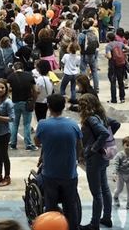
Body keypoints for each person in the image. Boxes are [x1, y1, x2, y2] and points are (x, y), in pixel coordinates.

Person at [34, 94, 82, 230]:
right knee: (71, 206)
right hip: (70, 173)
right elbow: (79, 145)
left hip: (50, 173)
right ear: (64, 106)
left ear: (48, 107)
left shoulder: (43, 124)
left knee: (50, 206)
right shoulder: (73, 125)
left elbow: (37, 142)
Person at [79, 93, 121, 230]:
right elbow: (116, 124)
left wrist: (93, 148)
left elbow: (103, 133)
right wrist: (107, 141)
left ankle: (94, 223)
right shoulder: (101, 115)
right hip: (103, 157)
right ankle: (107, 218)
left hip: (95, 158)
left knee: (96, 193)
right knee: (105, 188)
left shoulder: (91, 119)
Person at [7, 62, 37, 150]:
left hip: (15, 102)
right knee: (27, 124)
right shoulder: (29, 76)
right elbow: (35, 90)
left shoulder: (10, 77)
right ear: (23, 68)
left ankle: (13, 143)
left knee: (14, 123)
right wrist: (33, 102)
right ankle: (28, 144)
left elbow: (8, 90)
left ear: (14, 69)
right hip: (27, 102)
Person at [112, 137, 129, 211]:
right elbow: (116, 164)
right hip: (121, 175)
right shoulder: (119, 155)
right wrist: (114, 173)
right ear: (123, 145)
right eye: (127, 145)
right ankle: (115, 197)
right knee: (119, 189)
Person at [105, 32, 128, 104]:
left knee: (113, 82)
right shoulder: (120, 43)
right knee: (121, 81)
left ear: (108, 38)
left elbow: (109, 56)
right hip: (121, 65)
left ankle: (114, 99)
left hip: (113, 65)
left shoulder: (108, 46)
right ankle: (122, 98)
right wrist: (123, 52)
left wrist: (105, 55)